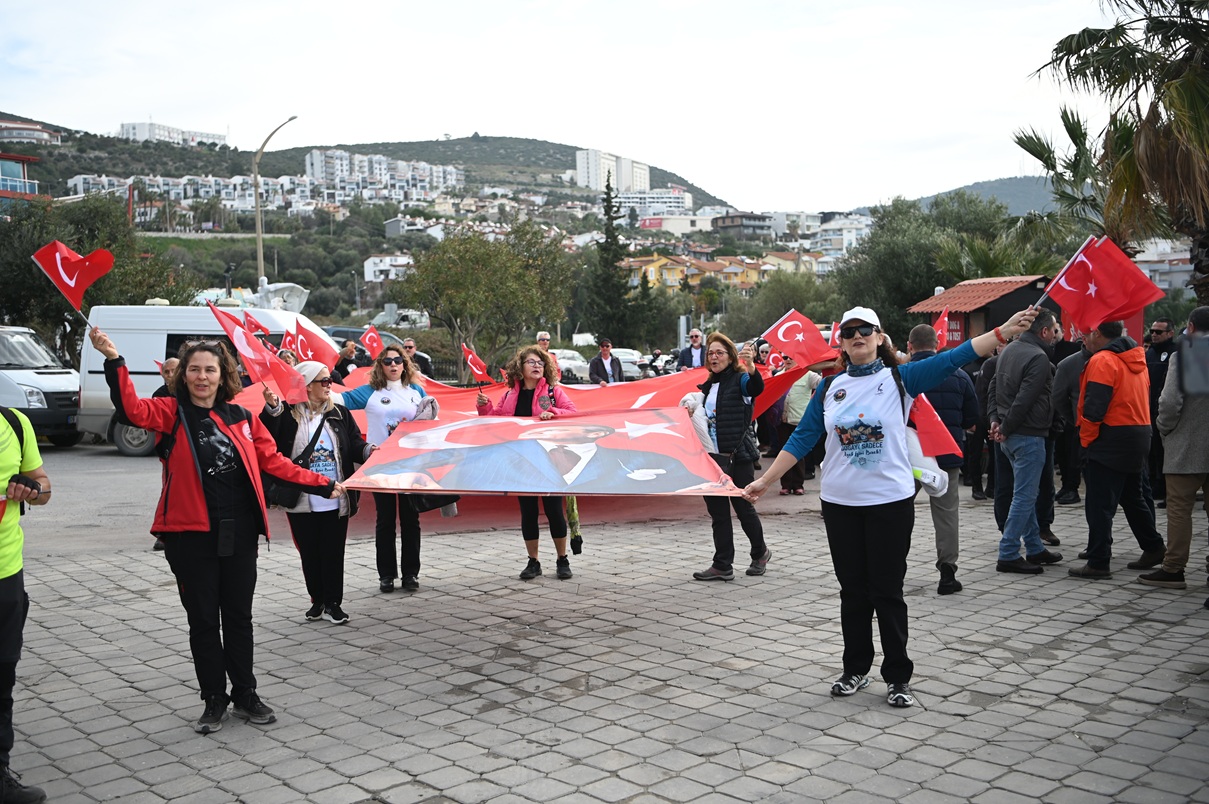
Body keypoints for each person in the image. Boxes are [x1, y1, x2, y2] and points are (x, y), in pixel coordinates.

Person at [744, 306, 1038, 708]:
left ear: (880, 337)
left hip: (889, 502)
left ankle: (898, 677)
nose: (857, 336)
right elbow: (800, 440)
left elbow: (956, 356)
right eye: (849, 332)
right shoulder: (829, 388)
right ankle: (855, 670)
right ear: (841, 342)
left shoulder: (900, 377)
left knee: (887, 591)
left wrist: (1002, 331)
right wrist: (764, 480)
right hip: (840, 503)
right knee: (853, 592)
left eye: (866, 330)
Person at [88, 329, 344, 734]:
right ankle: (213, 698)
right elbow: (133, 409)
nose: (202, 376)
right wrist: (115, 360)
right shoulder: (169, 412)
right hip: (191, 536)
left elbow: (275, 463)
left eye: (210, 369)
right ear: (183, 375)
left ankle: (245, 693)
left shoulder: (241, 418)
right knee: (204, 621)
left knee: (239, 618)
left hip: (240, 532)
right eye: (194, 369)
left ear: (223, 374)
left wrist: (321, 482)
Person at [260, 362, 373, 624]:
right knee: (309, 553)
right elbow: (267, 438)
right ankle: (317, 600)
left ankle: (334, 603)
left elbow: (355, 444)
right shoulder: (287, 414)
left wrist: (369, 451)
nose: (329, 385)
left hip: (335, 495)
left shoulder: (341, 413)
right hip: (301, 498)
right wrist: (273, 409)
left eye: (330, 380)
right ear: (307, 385)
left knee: (333, 552)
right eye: (323, 381)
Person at [1068, 320, 1167, 579]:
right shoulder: (1136, 357)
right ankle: (1154, 546)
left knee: (1099, 503)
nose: (1084, 339)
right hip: (1138, 433)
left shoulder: (1103, 360)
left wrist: (1086, 441)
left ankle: (1099, 562)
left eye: (1087, 334)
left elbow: (1094, 407)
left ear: (1098, 333)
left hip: (1110, 437)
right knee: (1133, 498)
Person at [477, 346, 577, 580]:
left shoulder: (553, 392)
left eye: (540, 362)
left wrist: (552, 411)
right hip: (521, 461)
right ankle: (533, 562)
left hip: (550, 461)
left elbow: (572, 412)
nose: (537, 366)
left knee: (554, 511)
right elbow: (494, 422)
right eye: (531, 362)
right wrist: (484, 407)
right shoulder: (510, 395)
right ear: (520, 368)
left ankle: (562, 559)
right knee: (528, 512)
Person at [340, 346, 432, 593]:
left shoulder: (417, 391)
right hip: (381, 465)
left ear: (405, 364)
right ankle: (386, 575)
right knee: (385, 520)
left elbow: (431, 420)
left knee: (411, 520)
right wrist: (314, 387)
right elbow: (339, 400)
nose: (393, 365)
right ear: (380, 365)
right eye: (388, 361)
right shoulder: (371, 392)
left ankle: (411, 574)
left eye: (398, 360)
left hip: (411, 464)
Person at [687, 333, 770, 582]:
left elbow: (756, 388)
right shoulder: (709, 385)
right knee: (718, 513)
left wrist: (752, 367)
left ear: (730, 356)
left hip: (738, 456)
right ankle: (722, 564)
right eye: (710, 353)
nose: (714, 356)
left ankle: (760, 552)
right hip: (712, 459)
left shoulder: (741, 379)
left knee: (744, 507)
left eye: (719, 352)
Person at [988, 309, 1064, 575]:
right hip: (1026, 435)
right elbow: (1025, 398)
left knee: (1025, 494)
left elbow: (994, 389)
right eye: (1054, 330)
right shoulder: (1038, 356)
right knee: (1024, 496)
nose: (1056, 336)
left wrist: (996, 422)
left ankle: (1034, 547)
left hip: (1011, 434)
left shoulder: (1008, 350)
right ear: (1044, 332)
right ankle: (1008, 553)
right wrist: (1003, 427)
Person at [0, 408, 51, 803]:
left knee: (2, 676)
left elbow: (44, 488)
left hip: (6, 573)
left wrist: (30, 489)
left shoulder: (15, 423)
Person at [906, 324, 978, 595]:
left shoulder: (900, 377)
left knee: (898, 512)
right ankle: (947, 574)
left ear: (910, 346)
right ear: (937, 344)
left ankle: (893, 569)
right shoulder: (958, 376)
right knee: (947, 515)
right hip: (946, 456)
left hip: (908, 458)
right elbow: (972, 418)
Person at [1143, 306, 1209, 596]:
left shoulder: (1188, 357)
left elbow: (1170, 403)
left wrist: (1164, 429)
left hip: (1187, 446)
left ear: (1191, 328)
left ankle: (1174, 568)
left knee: (1179, 511)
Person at [1053, 340, 1092, 505]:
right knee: (1070, 457)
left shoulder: (1120, 358)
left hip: (1112, 427)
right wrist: (1073, 417)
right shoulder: (1070, 364)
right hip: (1078, 423)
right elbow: (1058, 397)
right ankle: (1069, 487)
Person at [777, 358, 822, 495]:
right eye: (785, 357)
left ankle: (798, 485)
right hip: (782, 420)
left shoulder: (808, 375)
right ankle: (785, 485)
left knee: (798, 454)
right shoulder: (778, 376)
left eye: (792, 357)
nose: (788, 360)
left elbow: (824, 382)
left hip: (799, 420)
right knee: (783, 454)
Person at [1146, 317, 1177, 507]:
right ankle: (1153, 484)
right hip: (1147, 409)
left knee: (1164, 451)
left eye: (1159, 332)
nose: (1154, 335)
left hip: (1165, 410)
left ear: (1170, 333)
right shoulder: (1149, 353)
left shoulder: (1175, 353)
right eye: (1152, 331)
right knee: (1151, 450)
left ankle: (1166, 488)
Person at [151, 357, 181, 551]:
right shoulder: (160, 395)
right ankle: (163, 533)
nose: (169, 375)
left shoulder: (192, 391)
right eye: (166, 372)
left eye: (173, 371)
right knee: (169, 491)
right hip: (170, 452)